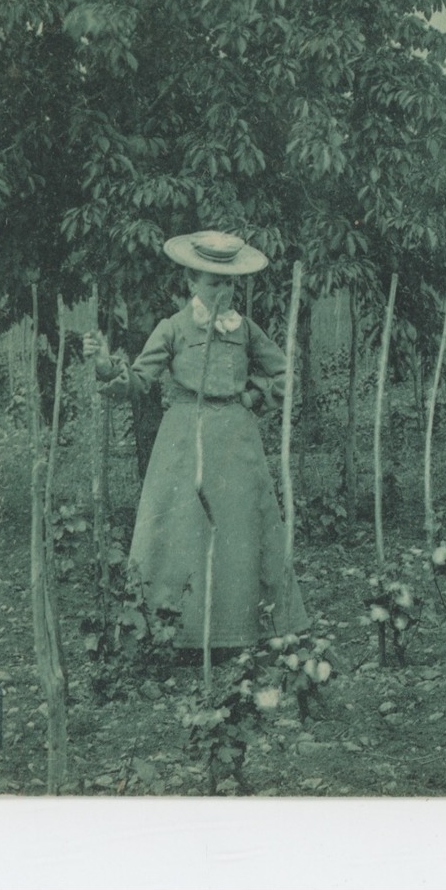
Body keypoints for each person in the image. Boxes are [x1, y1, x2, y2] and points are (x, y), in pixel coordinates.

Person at [84, 230, 309, 654]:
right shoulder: (172, 329)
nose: (222, 291)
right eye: (212, 282)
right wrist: (103, 366)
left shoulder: (245, 330)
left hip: (237, 441)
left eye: (228, 282)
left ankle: (242, 633)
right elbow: (137, 379)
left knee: (238, 531)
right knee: (179, 529)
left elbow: (284, 373)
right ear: (191, 282)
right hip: (183, 440)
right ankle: (172, 633)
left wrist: (254, 395)